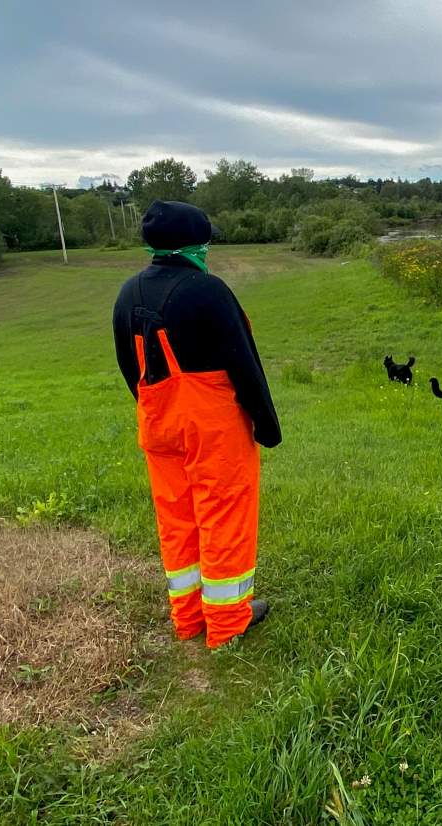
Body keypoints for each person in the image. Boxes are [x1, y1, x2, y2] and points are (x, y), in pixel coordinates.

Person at [112, 201, 282, 649]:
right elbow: (244, 363)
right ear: (196, 243)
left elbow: (129, 367)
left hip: (157, 424)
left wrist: (156, 408)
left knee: (177, 518)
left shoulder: (128, 293)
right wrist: (266, 424)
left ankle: (187, 617)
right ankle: (227, 621)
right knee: (222, 514)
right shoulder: (208, 291)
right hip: (211, 427)